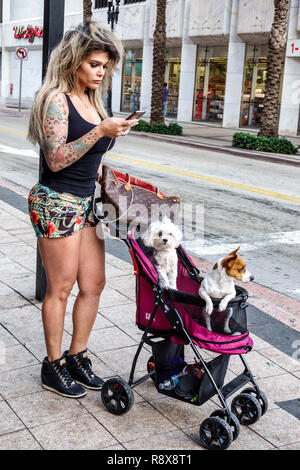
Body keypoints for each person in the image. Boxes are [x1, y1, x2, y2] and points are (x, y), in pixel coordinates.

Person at [27, 22, 138, 398]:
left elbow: (90, 156)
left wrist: (110, 148)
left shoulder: (93, 100)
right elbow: (56, 160)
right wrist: (100, 132)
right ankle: (53, 365)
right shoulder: (55, 100)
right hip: (56, 203)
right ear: (74, 62)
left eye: (104, 66)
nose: (100, 72)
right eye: (94, 64)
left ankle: (78, 355)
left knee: (93, 284)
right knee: (59, 288)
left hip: (86, 203)